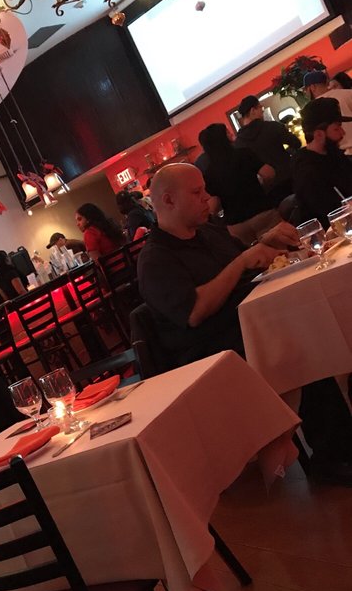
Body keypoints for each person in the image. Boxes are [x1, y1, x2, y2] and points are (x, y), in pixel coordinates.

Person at [137, 163, 352, 484]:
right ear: (168, 200)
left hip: (251, 324)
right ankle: (332, 455)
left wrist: (268, 243)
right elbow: (194, 311)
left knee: (308, 320)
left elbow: (248, 264)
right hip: (210, 351)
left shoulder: (209, 232)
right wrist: (242, 261)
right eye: (197, 192)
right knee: (298, 340)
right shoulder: (155, 259)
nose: (207, 198)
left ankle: (336, 445)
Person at [196, 123, 279, 244]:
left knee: (255, 255)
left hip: (236, 225)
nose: (231, 134)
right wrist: (263, 187)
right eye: (227, 132)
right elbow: (268, 174)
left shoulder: (209, 172)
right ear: (224, 138)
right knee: (280, 250)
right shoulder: (244, 154)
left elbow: (214, 205)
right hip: (261, 212)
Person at [292, 97, 352, 227]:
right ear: (319, 134)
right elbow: (331, 216)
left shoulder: (335, 155)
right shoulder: (307, 172)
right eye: (336, 129)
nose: (342, 133)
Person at [234, 95, 301, 205]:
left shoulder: (239, 143)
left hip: (269, 190)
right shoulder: (272, 127)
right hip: (291, 178)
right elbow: (296, 143)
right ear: (253, 110)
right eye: (260, 107)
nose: (262, 111)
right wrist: (288, 152)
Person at [303, 70, 352, 155]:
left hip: (341, 154)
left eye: (305, 90)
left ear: (312, 87)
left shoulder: (314, 109)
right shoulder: (348, 93)